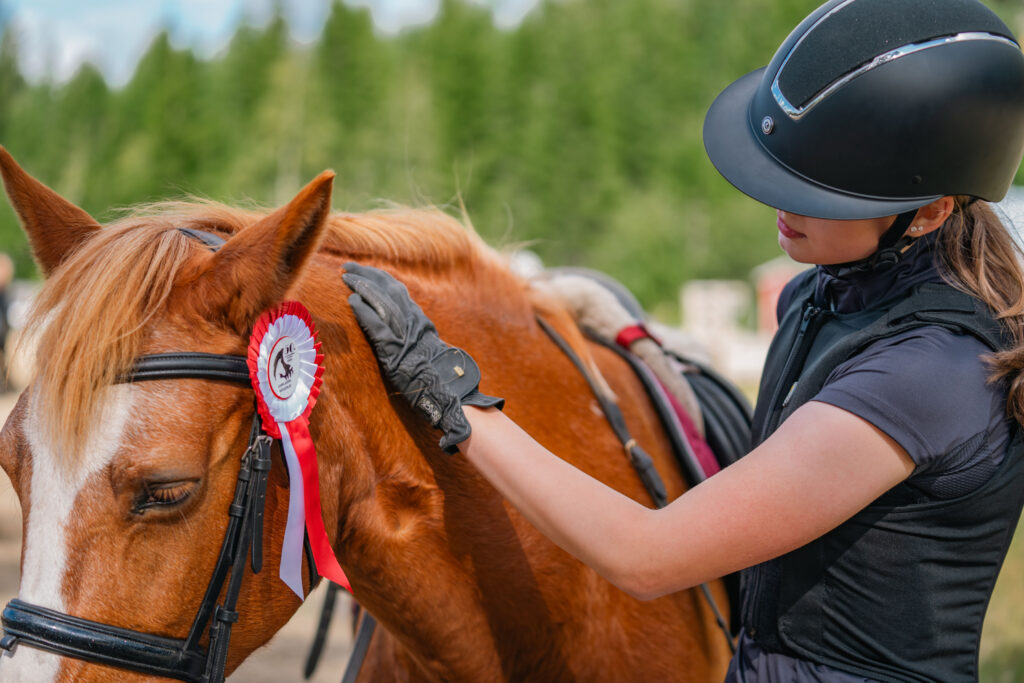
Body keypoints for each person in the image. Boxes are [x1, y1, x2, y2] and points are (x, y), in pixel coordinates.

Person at [342, 0, 1024, 680]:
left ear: (929, 212)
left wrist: (451, 396)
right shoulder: (817, 298)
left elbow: (647, 556)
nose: (780, 201)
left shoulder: (928, 375)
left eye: (821, 190)